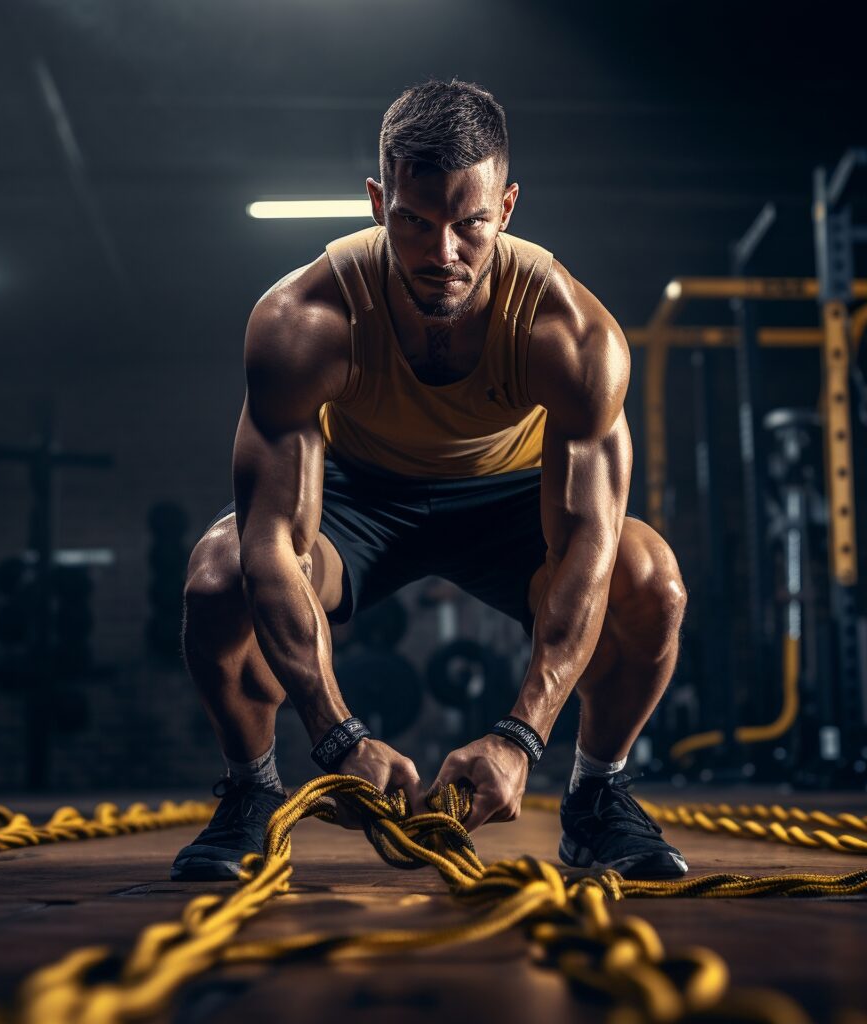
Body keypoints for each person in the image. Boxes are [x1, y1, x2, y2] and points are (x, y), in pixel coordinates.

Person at [171, 79, 688, 882]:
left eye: (469, 224)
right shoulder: (304, 319)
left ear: (507, 208)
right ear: (379, 201)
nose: (442, 254)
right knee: (217, 576)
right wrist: (337, 738)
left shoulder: (576, 335)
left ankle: (597, 797)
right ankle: (252, 794)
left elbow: (586, 549)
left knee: (648, 580)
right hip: (357, 496)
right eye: (414, 221)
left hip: (512, 496)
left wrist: (521, 737)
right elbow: (271, 543)